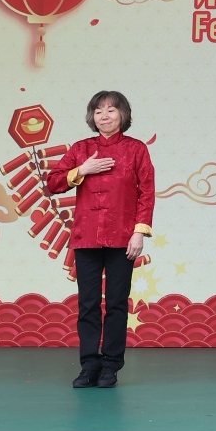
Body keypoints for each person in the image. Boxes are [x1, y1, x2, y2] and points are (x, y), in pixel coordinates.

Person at [47, 91, 154, 389]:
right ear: (92, 117)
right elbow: (53, 183)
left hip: (123, 238)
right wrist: (81, 170)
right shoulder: (81, 149)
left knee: (117, 303)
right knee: (88, 304)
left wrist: (139, 232)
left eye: (111, 110)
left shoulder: (136, 149)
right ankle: (89, 365)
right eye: (98, 111)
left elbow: (147, 192)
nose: (104, 116)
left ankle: (111, 366)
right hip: (87, 238)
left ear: (123, 115)